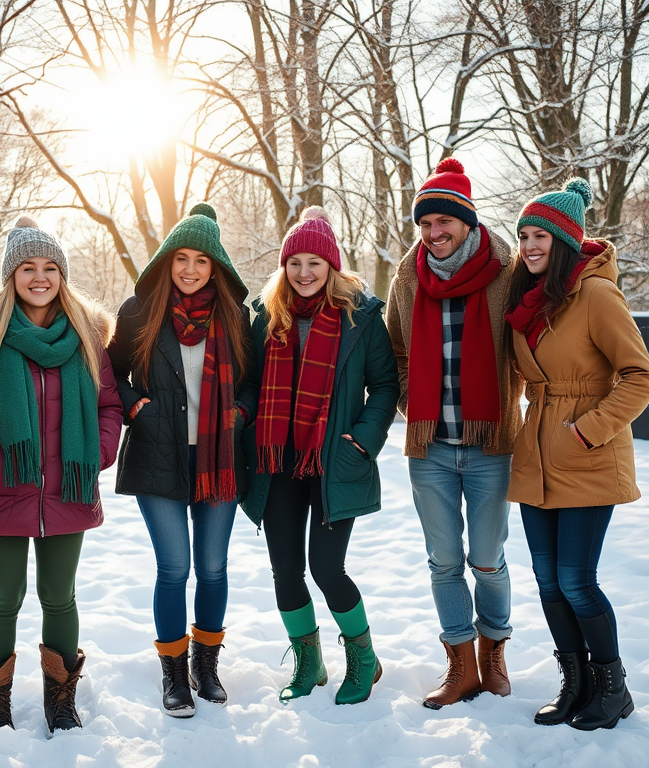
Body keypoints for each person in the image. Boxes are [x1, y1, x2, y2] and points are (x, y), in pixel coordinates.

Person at [0, 217, 122, 742]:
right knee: (3, 596)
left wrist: (97, 451)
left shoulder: (87, 335)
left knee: (59, 596)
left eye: (50, 267)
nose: (40, 277)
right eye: (28, 267)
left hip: (67, 487)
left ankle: (60, 698)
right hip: (0, 486)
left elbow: (108, 403)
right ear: (11, 275)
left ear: (62, 275)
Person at [505, 178, 649, 730]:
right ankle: (577, 684)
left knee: (576, 580)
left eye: (540, 235)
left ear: (564, 241)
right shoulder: (528, 301)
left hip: (586, 454)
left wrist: (588, 431)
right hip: (536, 455)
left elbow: (639, 376)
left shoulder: (596, 295)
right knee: (546, 582)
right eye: (523, 236)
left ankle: (614, 689)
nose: (530, 246)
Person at [242, 207, 398, 705]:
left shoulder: (362, 317)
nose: (304, 273)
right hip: (278, 461)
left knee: (327, 568)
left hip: (335, 461)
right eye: (295, 263)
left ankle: (363, 658)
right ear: (284, 267)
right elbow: (248, 381)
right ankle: (309, 662)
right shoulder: (267, 316)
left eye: (315, 263)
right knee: (286, 570)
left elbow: (386, 387)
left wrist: (361, 441)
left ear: (332, 267)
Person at [108, 203, 257, 717]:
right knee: (174, 567)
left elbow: (257, 382)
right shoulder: (138, 312)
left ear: (216, 267)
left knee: (213, 568)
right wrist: (135, 406)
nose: (190, 269)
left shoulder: (238, 317)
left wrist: (240, 410)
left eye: (201, 260)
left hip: (221, 458)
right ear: (167, 262)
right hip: (158, 457)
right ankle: (173, 674)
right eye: (181, 259)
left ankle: (205, 667)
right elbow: (110, 372)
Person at [385, 157, 522, 709]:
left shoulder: (506, 275)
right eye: (425, 224)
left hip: (491, 445)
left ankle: (494, 649)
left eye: (443, 222)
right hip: (431, 448)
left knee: (487, 558)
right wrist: (407, 403)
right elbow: (394, 349)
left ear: (466, 222)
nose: (434, 233)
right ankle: (460, 664)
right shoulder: (407, 277)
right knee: (444, 561)